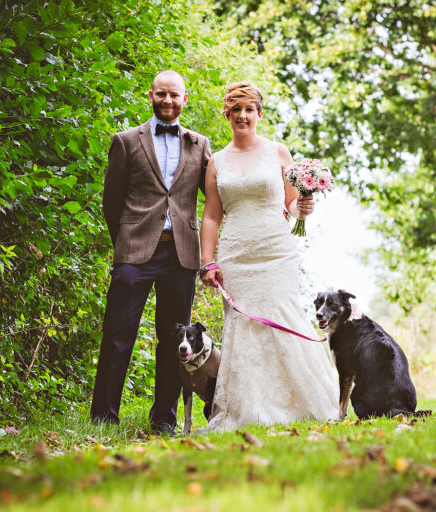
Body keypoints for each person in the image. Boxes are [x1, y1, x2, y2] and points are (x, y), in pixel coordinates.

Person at [198, 82, 337, 431]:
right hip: (236, 255)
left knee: (282, 318)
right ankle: (250, 408)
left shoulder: (277, 152)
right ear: (227, 115)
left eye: (249, 110)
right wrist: (208, 260)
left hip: (276, 250)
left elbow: (292, 204)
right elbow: (212, 215)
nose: (242, 116)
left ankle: (303, 403)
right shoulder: (216, 162)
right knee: (244, 326)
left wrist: (304, 207)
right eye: (236, 110)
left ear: (259, 114)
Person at [91, 70, 212, 434]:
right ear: (151, 95)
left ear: (184, 100)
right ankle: (103, 417)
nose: (168, 101)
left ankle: (164, 419)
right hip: (134, 254)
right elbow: (111, 201)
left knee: (176, 341)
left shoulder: (200, 144)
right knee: (117, 333)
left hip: (181, 256)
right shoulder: (126, 141)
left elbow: (216, 200)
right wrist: (125, 242)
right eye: (161, 94)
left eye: (174, 96)